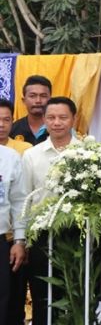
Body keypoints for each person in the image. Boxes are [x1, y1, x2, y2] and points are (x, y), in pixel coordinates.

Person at [21, 97, 80, 325]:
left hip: (77, 234)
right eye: (52, 117)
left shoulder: (87, 153)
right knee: (42, 295)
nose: (57, 122)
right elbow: (25, 199)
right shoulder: (31, 155)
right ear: (44, 120)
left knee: (75, 293)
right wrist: (24, 238)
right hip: (41, 236)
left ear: (74, 119)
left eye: (63, 117)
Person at [0, 100, 29, 325]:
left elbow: (19, 201)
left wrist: (19, 240)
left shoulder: (10, 158)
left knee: (4, 299)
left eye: (6, 119)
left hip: (3, 241)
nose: (1, 124)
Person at [11, 75, 51, 145]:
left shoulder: (59, 128)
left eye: (43, 96)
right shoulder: (13, 129)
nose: (38, 100)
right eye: (32, 96)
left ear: (50, 100)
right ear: (24, 100)